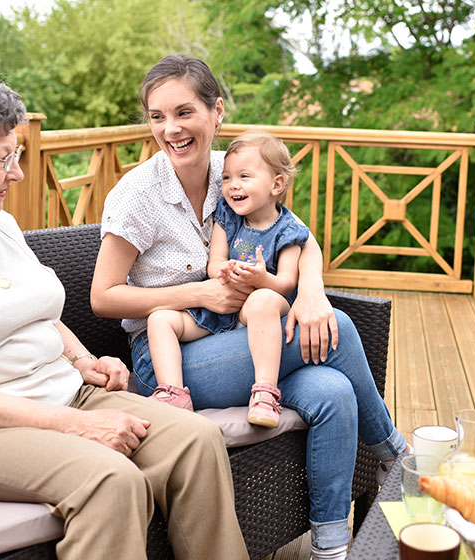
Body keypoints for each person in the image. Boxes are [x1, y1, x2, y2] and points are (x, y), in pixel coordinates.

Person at [0, 71, 248, 559]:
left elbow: (36, 310)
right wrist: (77, 427)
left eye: (17, 155)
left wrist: (83, 359)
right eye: (1, 158)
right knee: (108, 479)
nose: (17, 173)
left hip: (66, 392)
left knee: (195, 440)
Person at [90, 54, 408, 560]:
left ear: (216, 111)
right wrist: (198, 293)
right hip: (170, 357)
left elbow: (299, 238)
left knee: (333, 389)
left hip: (243, 339)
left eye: (184, 112)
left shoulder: (233, 170)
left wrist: (311, 293)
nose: (170, 129)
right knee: (341, 330)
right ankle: (397, 458)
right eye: (157, 116)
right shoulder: (137, 195)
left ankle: (331, 547)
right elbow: (102, 296)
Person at [146, 130, 309, 429]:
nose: (233, 185)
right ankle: (173, 394)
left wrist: (262, 279)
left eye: (244, 177)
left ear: (277, 184)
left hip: (257, 310)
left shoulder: (288, 231)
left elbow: (286, 283)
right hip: (220, 307)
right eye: (226, 178)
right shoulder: (229, 216)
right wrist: (221, 271)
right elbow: (214, 262)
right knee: (160, 319)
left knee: (262, 301)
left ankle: (264, 393)